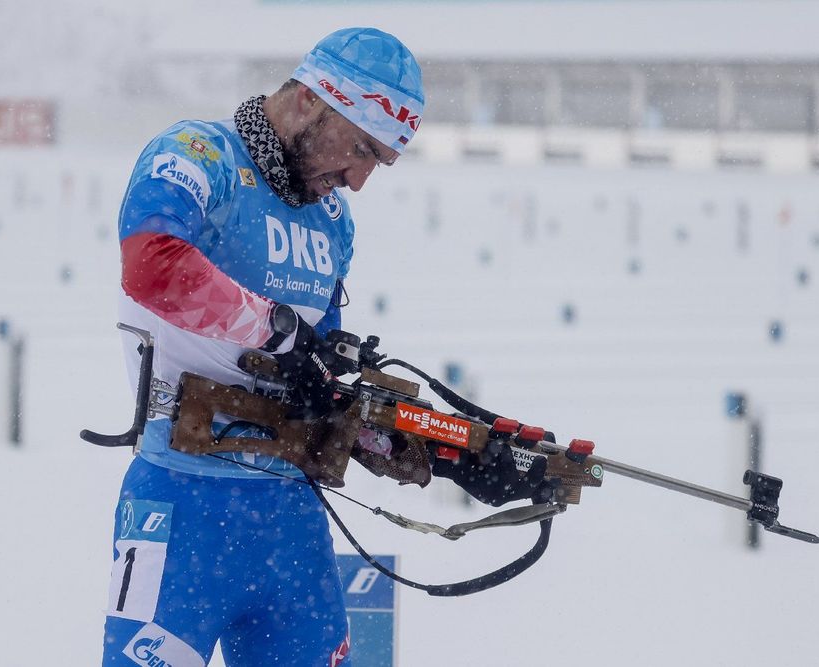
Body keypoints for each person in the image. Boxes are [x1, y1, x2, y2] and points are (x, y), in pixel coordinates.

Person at [101, 27, 549, 667]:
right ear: (314, 99)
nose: (359, 180)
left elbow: (327, 384)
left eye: (379, 163)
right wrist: (276, 331)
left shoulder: (332, 222)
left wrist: (452, 450)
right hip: (182, 509)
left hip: (291, 528)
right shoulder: (200, 154)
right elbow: (152, 264)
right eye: (362, 149)